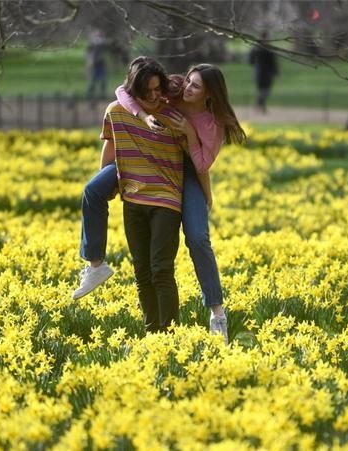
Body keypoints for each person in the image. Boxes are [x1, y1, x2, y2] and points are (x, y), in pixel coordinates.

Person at [74, 61, 246, 343]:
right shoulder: (171, 90)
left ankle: (217, 312)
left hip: (188, 169)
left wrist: (189, 135)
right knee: (93, 190)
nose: (187, 88)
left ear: (210, 94)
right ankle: (95, 265)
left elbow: (202, 165)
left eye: (196, 86)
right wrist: (142, 116)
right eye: (189, 81)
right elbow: (123, 91)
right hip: (144, 157)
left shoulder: (212, 125)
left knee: (198, 238)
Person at [99, 58, 187, 332]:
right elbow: (110, 149)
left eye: (157, 89)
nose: (153, 96)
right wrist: (106, 183)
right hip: (133, 200)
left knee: (161, 268)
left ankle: (170, 332)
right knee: (142, 271)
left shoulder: (173, 115)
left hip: (166, 199)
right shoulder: (116, 112)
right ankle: (152, 331)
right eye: (146, 91)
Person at [248, 36, 278, 113]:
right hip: (266, 74)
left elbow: (250, 61)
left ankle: (260, 105)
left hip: (259, 73)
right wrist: (275, 72)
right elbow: (273, 63)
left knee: (262, 90)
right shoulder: (268, 50)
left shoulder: (255, 50)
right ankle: (260, 105)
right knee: (264, 90)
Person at [85, 29, 108, 101]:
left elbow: (105, 44)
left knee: (103, 81)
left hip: (101, 65)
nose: (99, 37)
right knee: (92, 81)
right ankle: (89, 95)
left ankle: (102, 95)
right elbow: (88, 54)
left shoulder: (102, 44)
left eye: (100, 35)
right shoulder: (92, 44)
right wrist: (89, 62)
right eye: (97, 35)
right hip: (94, 65)